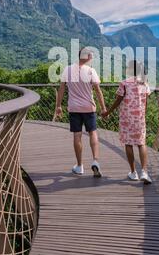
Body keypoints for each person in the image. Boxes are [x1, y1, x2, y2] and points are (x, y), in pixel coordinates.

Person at [55, 47, 106, 177]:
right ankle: (95, 161)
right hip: (89, 108)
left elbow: (61, 89)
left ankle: (79, 166)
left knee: (77, 135)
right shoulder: (91, 71)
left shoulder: (67, 69)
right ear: (87, 56)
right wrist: (103, 108)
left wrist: (58, 106)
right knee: (92, 133)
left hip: (74, 108)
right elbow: (98, 91)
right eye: (91, 56)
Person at [102, 60, 152, 184]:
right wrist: (143, 115)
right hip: (140, 118)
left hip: (126, 118)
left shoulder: (124, 84)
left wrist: (107, 112)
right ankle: (144, 172)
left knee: (128, 144)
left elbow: (118, 101)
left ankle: (133, 172)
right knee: (141, 143)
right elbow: (146, 102)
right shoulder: (145, 83)